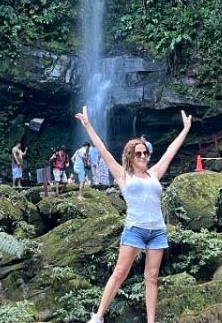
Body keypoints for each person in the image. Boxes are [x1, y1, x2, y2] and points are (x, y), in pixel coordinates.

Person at [76, 106, 192, 323]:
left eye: (145, 153)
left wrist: (185, 129)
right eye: (138, 153)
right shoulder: (123, 175)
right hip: (135, 229)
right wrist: (88, 125)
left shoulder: (154, 173)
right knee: (120, 272)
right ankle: (98, 317)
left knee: (152, 277)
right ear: (130, 156)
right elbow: (103, 150)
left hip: (157, 231)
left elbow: (170, 152)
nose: (143, 156)